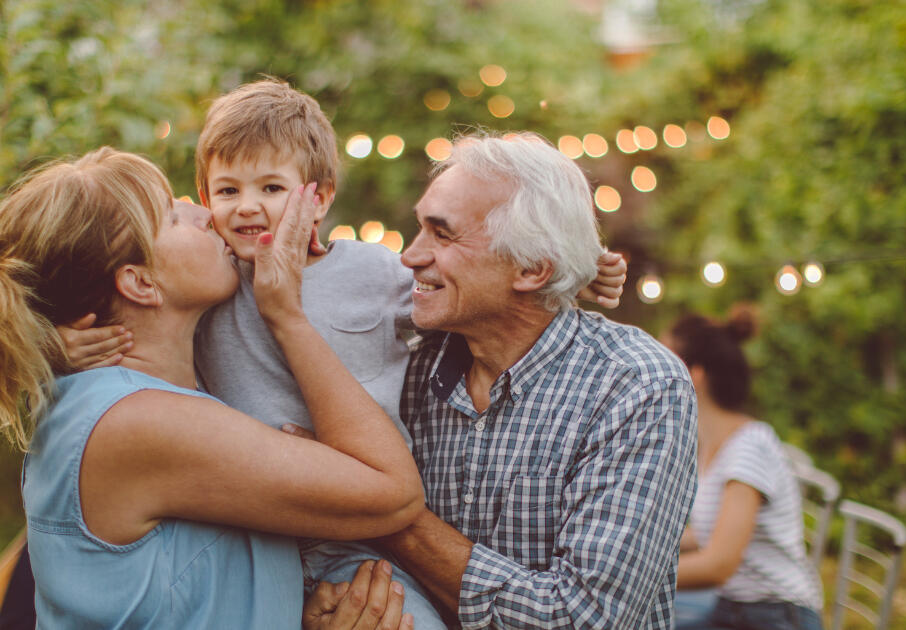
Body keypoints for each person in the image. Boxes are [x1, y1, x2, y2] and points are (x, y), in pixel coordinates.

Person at [60, 78, 628, 629]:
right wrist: (59, 343)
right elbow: (110, 321)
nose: (247, 207)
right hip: (258, 522)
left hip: (360, 535)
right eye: (228, 191)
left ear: (320, 197)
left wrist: (573, 270)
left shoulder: (371, 273)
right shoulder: (215, 280)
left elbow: (469, 290)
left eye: (271, 188)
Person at [0, 147, 424, 628]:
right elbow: (394, 494)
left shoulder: (114, 403)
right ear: (140, 283)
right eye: (172, 216)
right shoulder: (135, 422)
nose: (204, 214)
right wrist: (285, 314)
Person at [369, 131, 698, 628]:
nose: (410, 257)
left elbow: (581, 619)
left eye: (442, 234)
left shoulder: (636, 385)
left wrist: (381, 508)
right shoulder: (406, 359)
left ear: (531, 268)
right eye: (420, 229)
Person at [663, 309, 824, 630]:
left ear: (693, 375)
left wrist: (629, 575)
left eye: (660, 360)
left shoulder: (749, 446)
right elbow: (709, 532)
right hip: (733, 609)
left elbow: (718, 565)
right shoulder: (711, 445)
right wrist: (642, 541)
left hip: (775, 616)